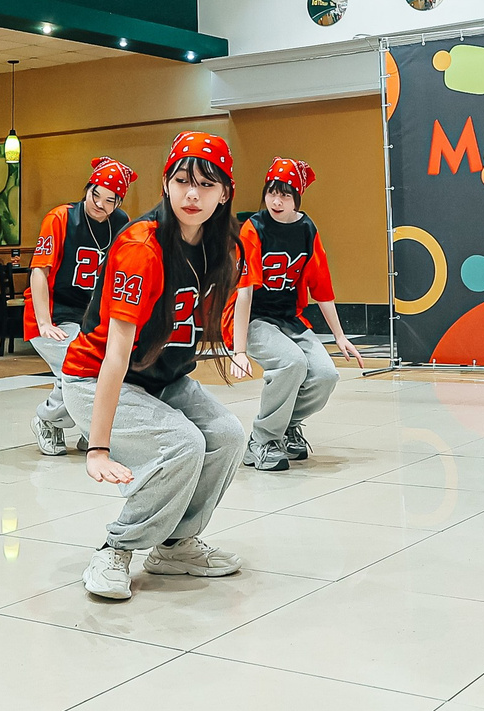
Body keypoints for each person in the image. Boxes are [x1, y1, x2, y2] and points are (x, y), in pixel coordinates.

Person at [61, 132, 254, 601]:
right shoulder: (140, 248)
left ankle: (174, 544)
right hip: (95, 378)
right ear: (166, 183)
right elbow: (115, 354)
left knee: (226, 435)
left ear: (225, 193)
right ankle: (116, 548)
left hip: (162, 378)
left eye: (207, 185)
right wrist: (98, 448)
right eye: (183, 181)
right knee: (182, 444)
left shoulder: (221, 244)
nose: (193, 194)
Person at [230, 157, 360, 470]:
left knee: (326, 375)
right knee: (291, 363)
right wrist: (239, 349)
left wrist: (340, 336)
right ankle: (262, 441)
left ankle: (285, 427)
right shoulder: (254, 229)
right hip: (254, 319)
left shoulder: (306, 228)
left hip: (290, 319)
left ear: (296, 199)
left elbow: (322, 287)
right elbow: (244, 291)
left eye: (285, 195)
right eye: (272, 192)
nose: (276, 200)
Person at [24, 158, 135, 456]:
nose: (100, 204)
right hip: (51, 313)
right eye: (95, 194)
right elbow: (39, 271)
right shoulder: (60, 218)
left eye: (110, 200)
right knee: (79, 367)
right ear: (87, 189)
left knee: (108, 365)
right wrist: (45, 323)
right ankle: (47, 419)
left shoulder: (121, 223)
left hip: (88, 318)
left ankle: (90, 425)